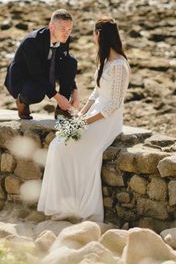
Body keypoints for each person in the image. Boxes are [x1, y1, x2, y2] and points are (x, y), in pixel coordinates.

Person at [37, 17, 130, 222]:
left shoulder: (119, 66)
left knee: (67, 148)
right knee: (57, 145)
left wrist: (87, 122)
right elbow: (96, 94)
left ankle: (81, 207)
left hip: (108, 120)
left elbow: (114, 103)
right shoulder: (105, 61)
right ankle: (62, 205)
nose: (92, 37)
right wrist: (80, 115)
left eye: (94, 33)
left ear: (100, 35)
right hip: (94, 114)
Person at [4, 9, 80, 120]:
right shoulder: (31, 42)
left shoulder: (64, 38)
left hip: (45, 69)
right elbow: (36, 74)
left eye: (69, 29)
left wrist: (75, 93)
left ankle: (61, 111)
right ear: (52, 27)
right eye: (63, 29)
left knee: (71, 62)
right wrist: (58, 97)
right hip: (25, 77)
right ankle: (21, 101)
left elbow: (66, 65)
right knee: (37, 92)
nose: (66, 33)